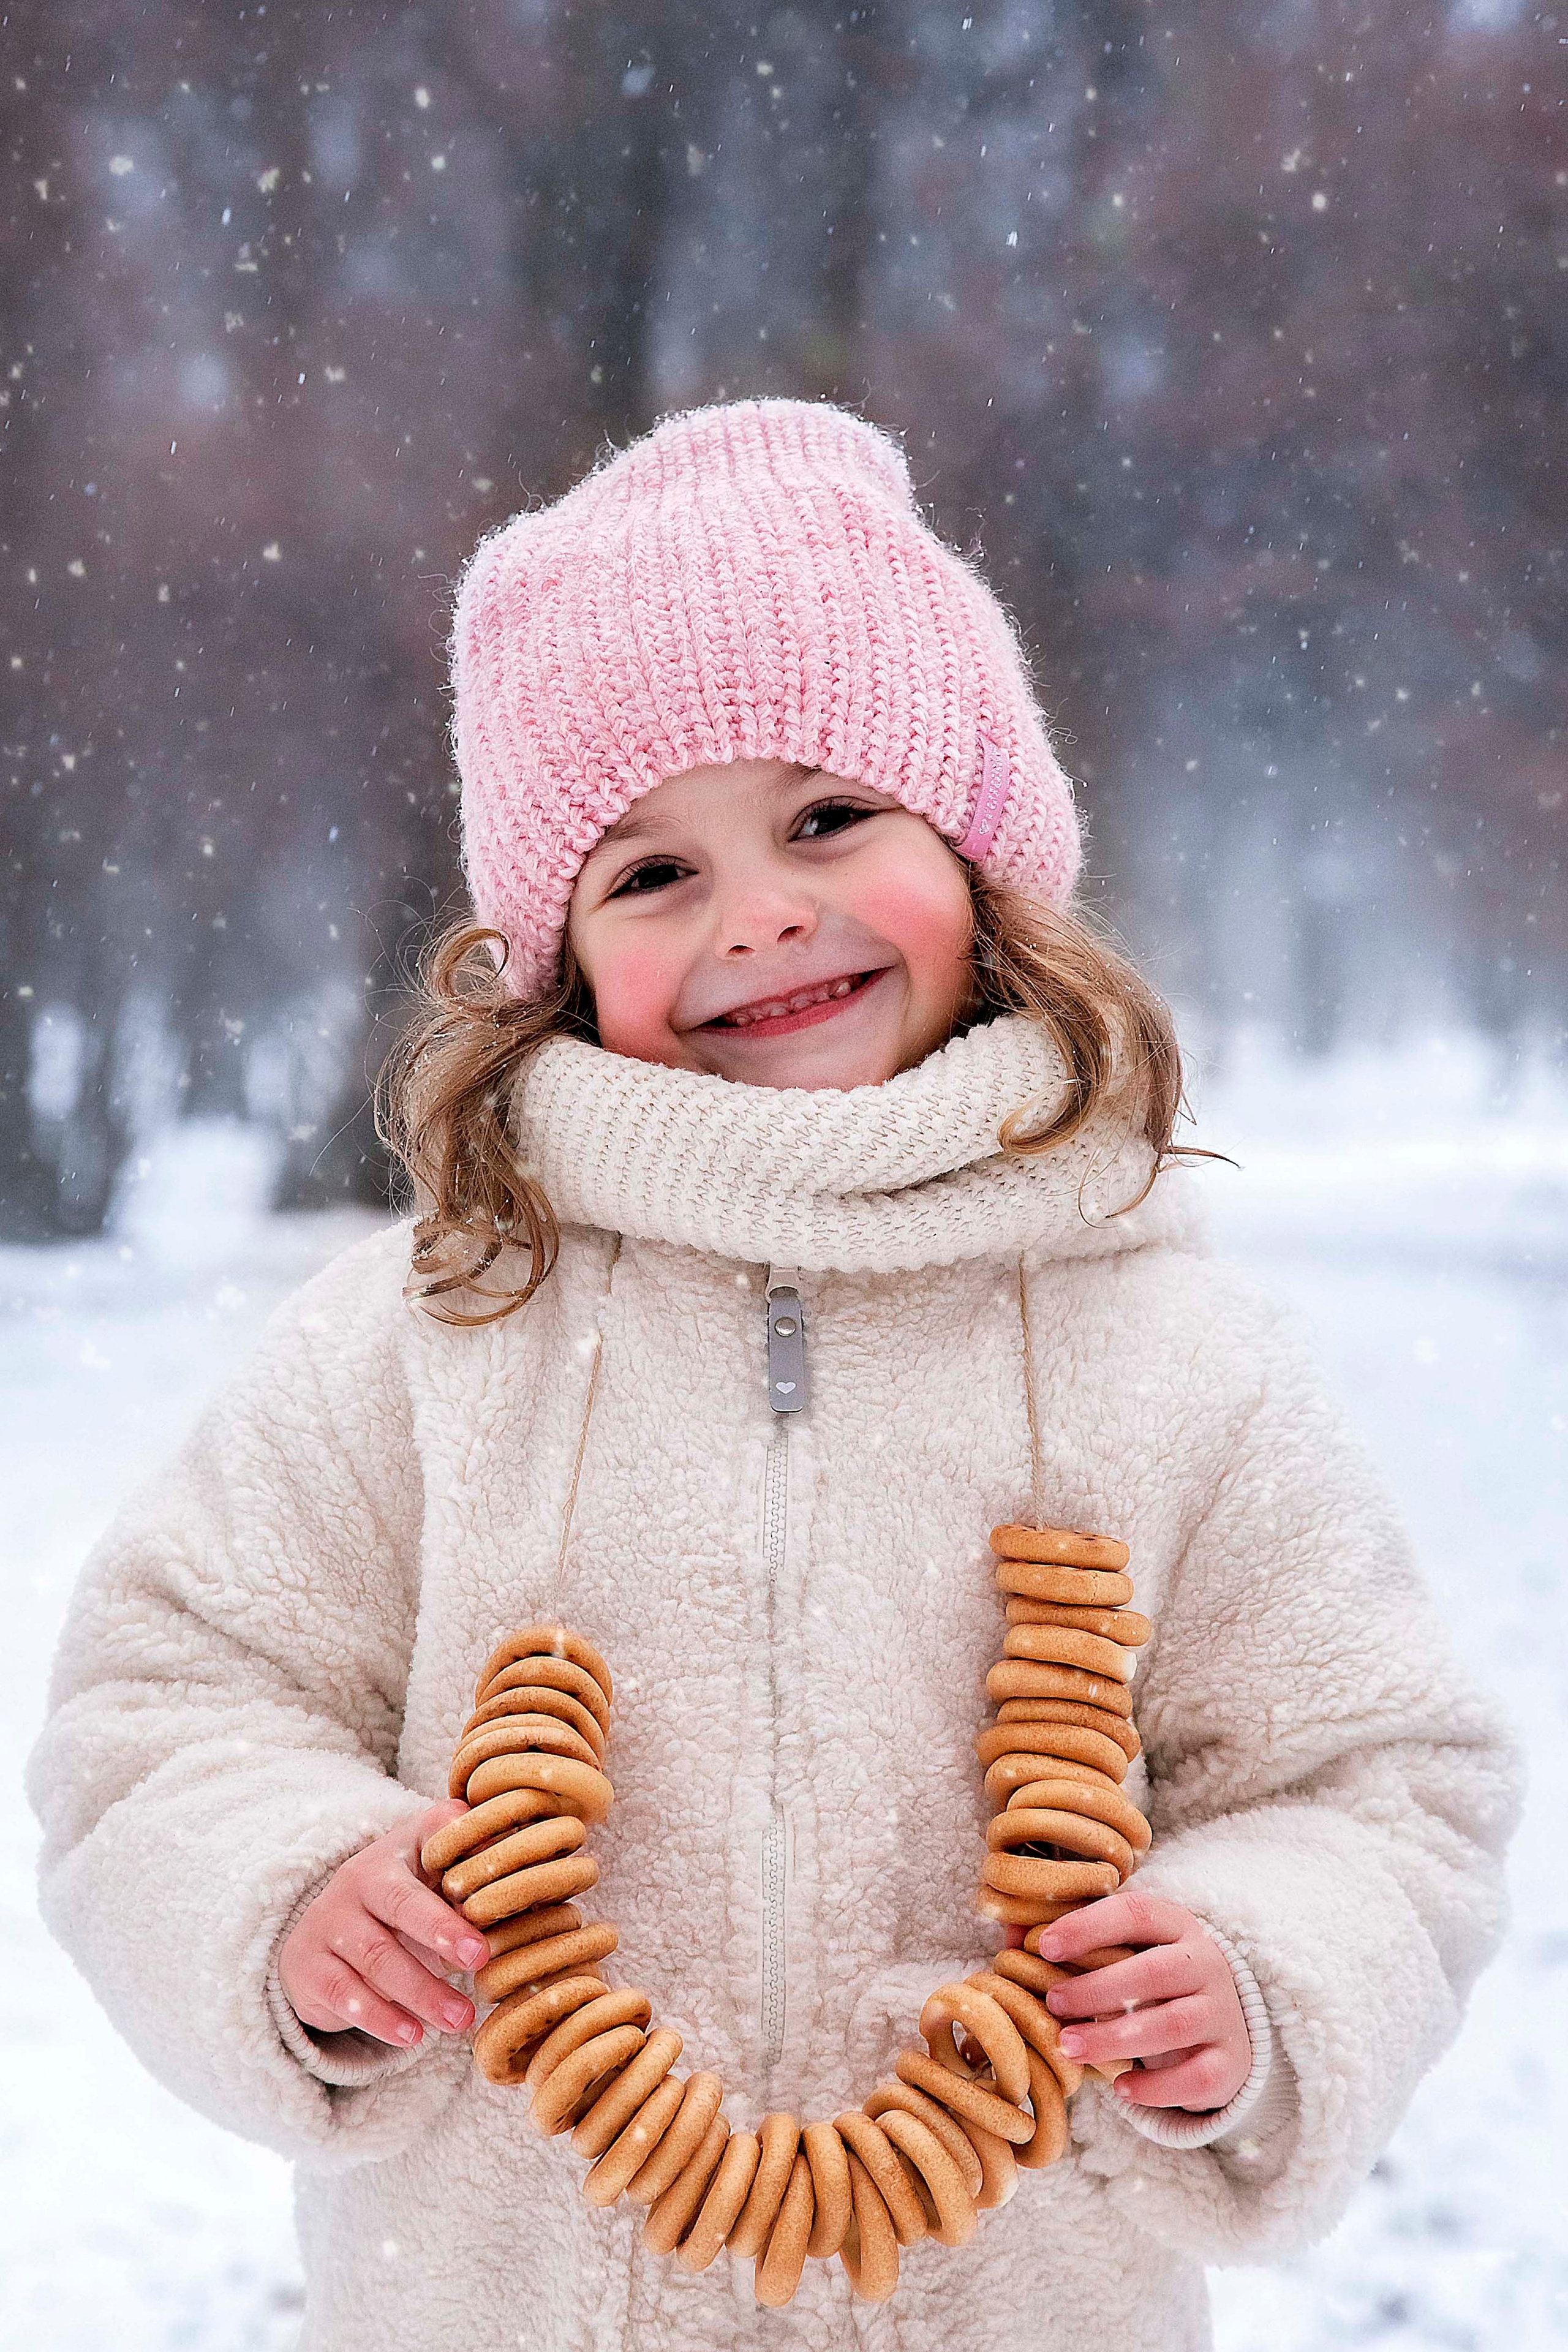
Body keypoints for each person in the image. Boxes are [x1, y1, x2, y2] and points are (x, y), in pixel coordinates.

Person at [28, 398, 1518, 2351]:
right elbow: (163, 1705)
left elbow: (1381, 1780)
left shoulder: (1175, 1355)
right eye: (649, 875)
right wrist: (286, 1897)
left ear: (985, 860)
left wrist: (1264, 1968)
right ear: (550, 957)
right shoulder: (431, 1332)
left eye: (828, 817)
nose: (755, 913)